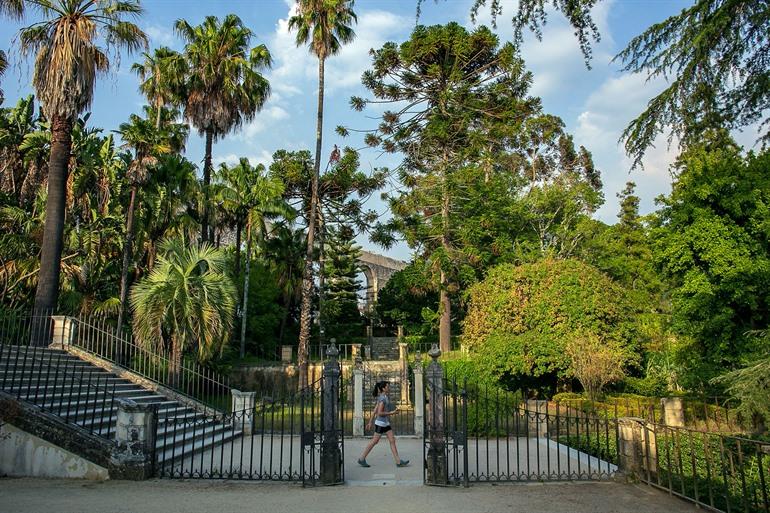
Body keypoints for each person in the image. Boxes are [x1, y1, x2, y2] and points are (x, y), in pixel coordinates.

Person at [357, 381, 409, 467]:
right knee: (374, 441)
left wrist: (370, 422)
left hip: (386, 423)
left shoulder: (383, 397)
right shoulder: (382, 398)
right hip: (380, 423)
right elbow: (379, 413)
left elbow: (374, 410)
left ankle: (398, 461)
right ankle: (362, 459)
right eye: (387, 386)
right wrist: (392, 413)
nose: (389, 388)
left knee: (392, 440)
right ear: (384, 388)